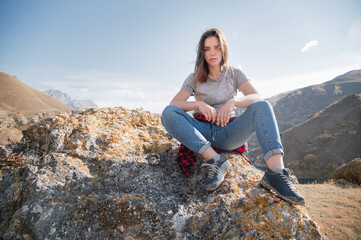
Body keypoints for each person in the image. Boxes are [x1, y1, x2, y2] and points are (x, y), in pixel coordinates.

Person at [161, 28, 305, 205]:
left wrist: (233, 102)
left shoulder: (235, 74)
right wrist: (198, 104)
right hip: (202, 132)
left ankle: (276, 174)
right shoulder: (194, 78)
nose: (212, 52)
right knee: (168, 113)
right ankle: (215, 160)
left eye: (217, 47)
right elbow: (174, 104)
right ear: (202, 53)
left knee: (262, 106)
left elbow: (257, 97)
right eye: (207, 49)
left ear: (224, 49)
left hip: (229, 133)